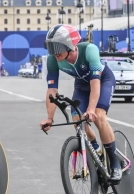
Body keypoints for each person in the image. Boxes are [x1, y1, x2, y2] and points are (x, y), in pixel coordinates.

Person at [39, 24, 122, 183]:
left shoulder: (89, 50)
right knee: (78, 122)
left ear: (70, 45)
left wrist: (91, 109)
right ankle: (97, 150)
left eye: (58, 47)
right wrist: (50, 118)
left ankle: (115, 163)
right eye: (51, 48)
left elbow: (95, 82)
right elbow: (52, 90)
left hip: (102, 80)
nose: (54, 52)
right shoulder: (53, 60)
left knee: (98, 116)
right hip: (82, 86)